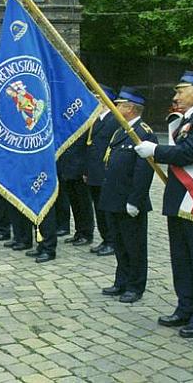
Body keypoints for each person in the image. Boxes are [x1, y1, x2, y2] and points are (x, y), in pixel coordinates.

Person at [135, 71, 193, 338]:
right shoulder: (189, 119)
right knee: (182, 259)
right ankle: (185, 307)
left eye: (180, 91)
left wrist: (156, 151)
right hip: (181, 199)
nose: (175, 97)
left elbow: (191, 153)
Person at [98, 87, 157, 304]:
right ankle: (121, 280)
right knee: (120, 244)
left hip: (129, 200)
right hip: (113, 198)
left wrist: (135, 200)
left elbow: (144, 171)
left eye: (120, 104)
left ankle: (135, 286)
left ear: (130, 108)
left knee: (135, 246)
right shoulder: (120, 130)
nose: (116, 107)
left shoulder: (143, 132)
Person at [86, 85, 120, 257]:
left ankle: (112, 241)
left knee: (106, 209)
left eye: (98, 98)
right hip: (93, 171)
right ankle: (105, 238)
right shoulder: (96, 119)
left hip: (104, 171)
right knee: (99, 208)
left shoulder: (114, 120)